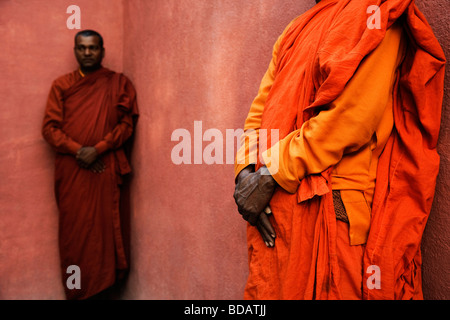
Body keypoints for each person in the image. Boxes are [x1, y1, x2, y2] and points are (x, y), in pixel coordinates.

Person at [234, 0, 445, 300]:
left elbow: (352, 119)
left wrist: (269, 175)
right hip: (277, 215)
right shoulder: (296, 29)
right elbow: (261, 109)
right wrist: (244, 173)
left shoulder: (378, 15)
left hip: (333, 213)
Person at [42, 30, 139, 300]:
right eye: (82, 48)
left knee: (103, 232)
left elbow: (126, 124)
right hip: (71, 171)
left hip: (104, 168)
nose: (87, 53)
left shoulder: (117, 83)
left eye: (93, 48)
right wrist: (79, 152)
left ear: (102, 51)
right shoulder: (61, 85)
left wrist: (98, 150)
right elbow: (49, 129)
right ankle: (78, 292)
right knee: (75, 232)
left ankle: (103, 290)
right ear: (75, 51)